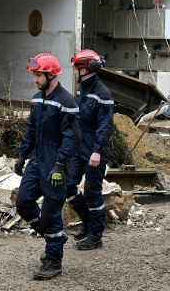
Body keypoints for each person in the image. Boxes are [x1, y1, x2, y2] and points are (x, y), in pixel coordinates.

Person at [14, 52, 81, 280]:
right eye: (34, 75)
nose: (35, 79)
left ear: (50, 74)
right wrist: (23, 155)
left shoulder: (67, 102)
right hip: (37, 160)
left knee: (51, 214)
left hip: (57, 165)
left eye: (38, 75)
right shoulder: (36, 99)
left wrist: (60, 165)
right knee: (23, 203)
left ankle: (54, 262)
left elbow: (72, 138)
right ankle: (55, 239)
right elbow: (31, 130)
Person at [66, 49, 114, 251]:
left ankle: (96, 235)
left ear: (84, 69)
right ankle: (86, 221)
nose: (74, 72)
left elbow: (105, 126)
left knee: (92, 193)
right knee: (68, 186)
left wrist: (97, 151)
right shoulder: (82, 89)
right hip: (78, 150)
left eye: (76, 68)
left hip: (95, 151)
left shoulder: (103, 94)